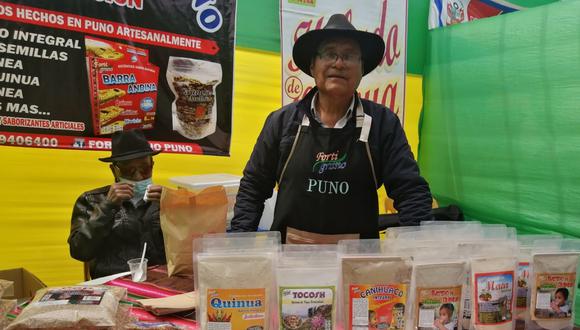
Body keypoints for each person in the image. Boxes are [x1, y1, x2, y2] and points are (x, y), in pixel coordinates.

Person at [231, 13, 432, 243]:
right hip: (290, 262)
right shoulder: (282, 122)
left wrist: (414, 251)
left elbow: (412, 193)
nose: (339, 63)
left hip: (357, 269)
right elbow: (253, 188)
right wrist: (238, 246)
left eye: (349, 55)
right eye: (329, 54)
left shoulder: (383, 124)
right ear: (312, 65)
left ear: (361, 68)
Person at [68, 129, 166, 278]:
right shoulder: (91, 201)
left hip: (159, 281)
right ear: (114, 171)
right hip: (112, 282)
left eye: (144, 169)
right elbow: (79, 252)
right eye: (129, 171)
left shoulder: (164, 198)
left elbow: (188, 247)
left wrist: (174, 206)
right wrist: (107, 207)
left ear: (152, 165)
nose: (138, 176)